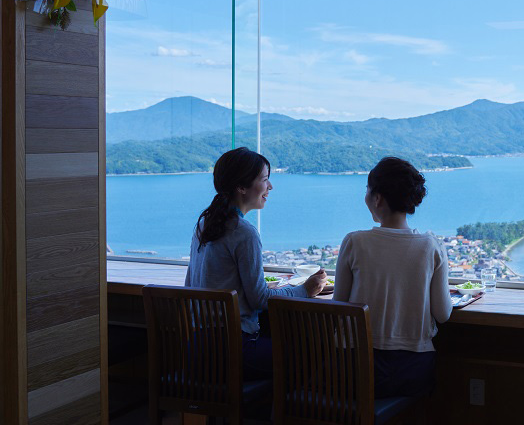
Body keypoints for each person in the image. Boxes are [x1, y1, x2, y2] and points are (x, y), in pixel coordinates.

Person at [185, 147, 327, 380]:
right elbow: (260, 300)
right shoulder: (244, 232)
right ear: (241, 187)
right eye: (264, 180)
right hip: (232, 349)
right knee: (312, 353)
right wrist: (306, 289)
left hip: (198, 347)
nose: (270, 187)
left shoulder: (204, 224)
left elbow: (196, 282)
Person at [334, 156, 452, 398]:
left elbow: (339, 307)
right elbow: (443, 314)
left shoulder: (355, 241)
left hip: (355, 368)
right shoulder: (432, 246)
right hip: (411, 371)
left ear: (377, 198)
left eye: (367, 190)